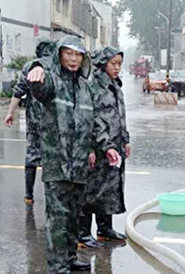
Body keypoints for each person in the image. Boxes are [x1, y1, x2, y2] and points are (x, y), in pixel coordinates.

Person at [26, 36, 119, 274]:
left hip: (79, 165)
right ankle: (57, 269)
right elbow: (36, 85)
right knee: (57, 217)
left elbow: (95, 122)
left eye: (78, 55)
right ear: (59, 55)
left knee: (73, 216)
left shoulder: (85, 88)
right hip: (57, 164)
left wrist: (107, 146)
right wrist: (36, 66)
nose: (73, 59)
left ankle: (69, 257)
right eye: (68, 54)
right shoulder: (51, 81)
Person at [78, 46, 130, 248]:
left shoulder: (115, 85)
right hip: (98, 148)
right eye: (113, 64)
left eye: (119, 64)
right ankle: (83, 233)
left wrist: (125, 140)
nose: (117, 68)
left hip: (113, 147)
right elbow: (88, 119)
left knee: (108, 189)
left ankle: (104, 228)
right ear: (103, 64)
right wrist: (90, 148)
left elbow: (120, 115)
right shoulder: (93, 87)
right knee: (91, 191)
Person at [4, 40, 58, 205]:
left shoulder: (30, 66)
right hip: (55, 122)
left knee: (32, 157)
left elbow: (19, 91)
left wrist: (10, 113)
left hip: (34, 121)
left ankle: (29, 195)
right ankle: (52, 196)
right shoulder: (57, 66)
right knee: (53, 157)